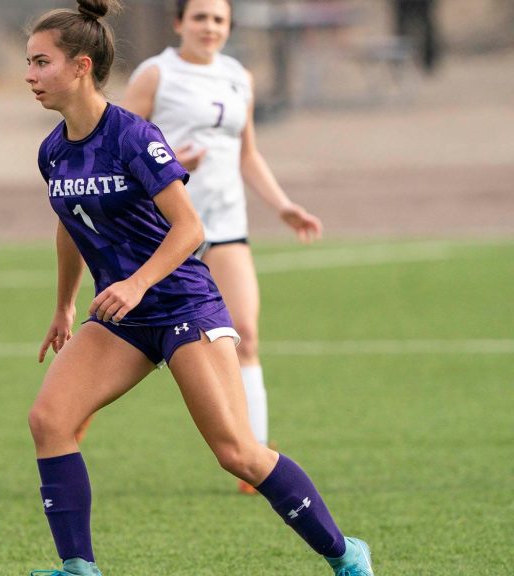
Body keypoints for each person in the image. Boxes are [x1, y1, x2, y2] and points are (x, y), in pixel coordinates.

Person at [23, 1, 372, 575]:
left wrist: (136, 284)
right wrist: (64, 305)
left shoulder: (132, 136)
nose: (30, 75)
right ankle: (79, 568)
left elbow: (190, 229)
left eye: (42, 62)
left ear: (81, 66)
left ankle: (346, 554)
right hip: (123, 316)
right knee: (49, 420)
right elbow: (70, 223)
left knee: (237, 453)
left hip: (182, 303)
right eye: (30, 62)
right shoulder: (53, 150)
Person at [118, 0, 324, 495]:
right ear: (179, 23)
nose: (209, 27)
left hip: (227, 226)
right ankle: (78, 409)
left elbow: (247, 153)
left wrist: (283, 205)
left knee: (245, 333)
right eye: (200, 17)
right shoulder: (156, 75)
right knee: (132, 340)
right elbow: (117, 150)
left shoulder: (238, 77)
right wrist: (170, 162)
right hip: (165, 231)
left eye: (219, 19)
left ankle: (256, 457)